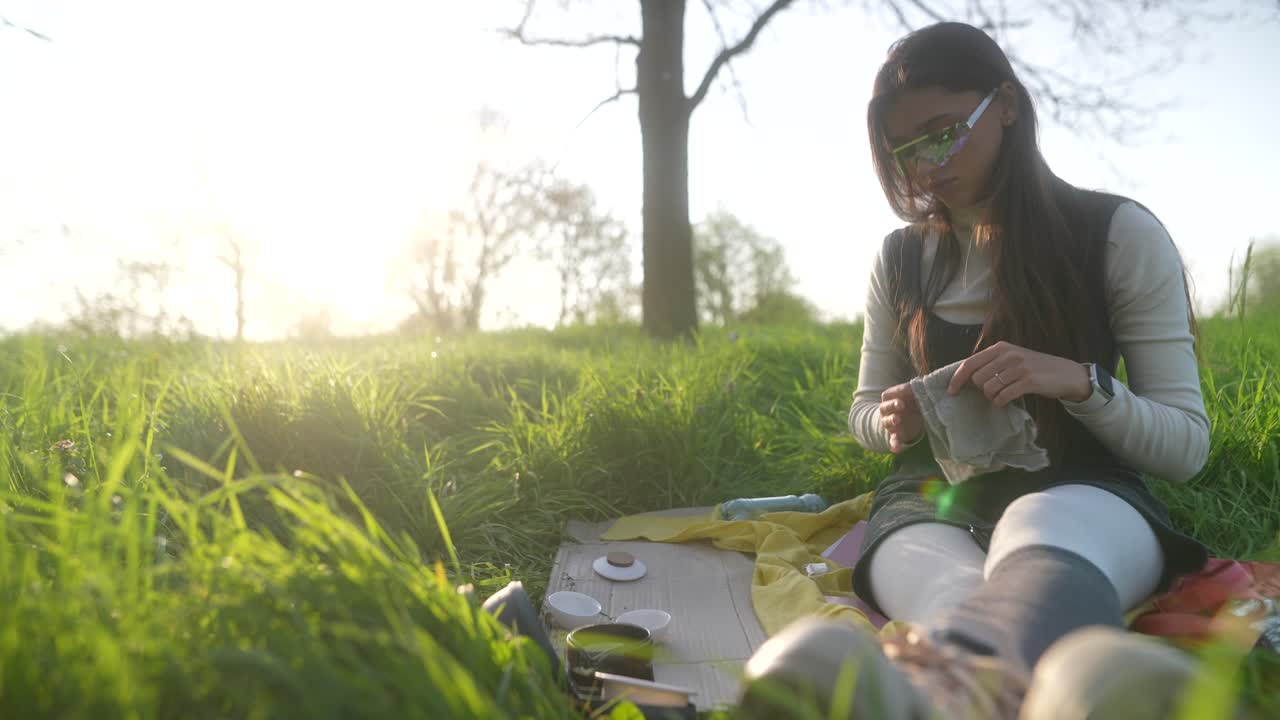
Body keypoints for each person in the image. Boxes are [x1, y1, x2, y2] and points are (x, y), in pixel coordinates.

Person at [843, 20, 1211, 716]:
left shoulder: (1117, 234)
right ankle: (1028, 691)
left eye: (945, 131)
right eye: (906, 150)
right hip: (928, 500)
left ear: (1006, 105)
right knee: (952, 597)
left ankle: (930, 694)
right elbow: (863, 411)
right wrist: (892, 420)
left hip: (1084, 492)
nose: (927, 167)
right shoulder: (899, 259)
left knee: (1035, 549)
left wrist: (1078, 383)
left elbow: (1187, 447)